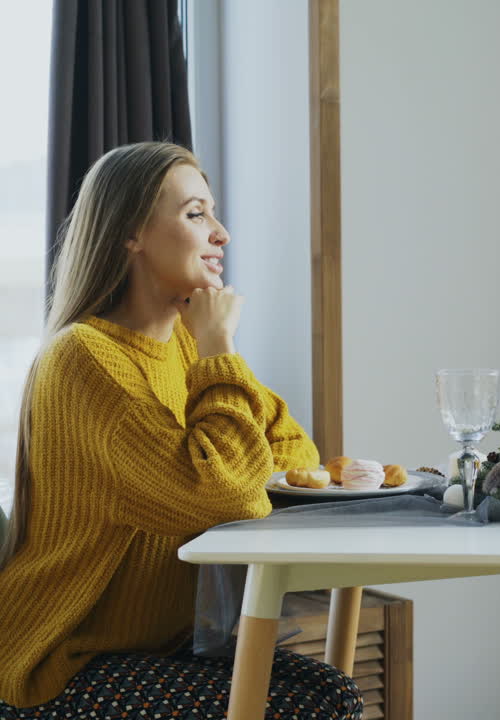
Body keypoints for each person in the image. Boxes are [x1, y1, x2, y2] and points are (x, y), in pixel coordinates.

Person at [0, 142, 362, 717]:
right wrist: (220, 344)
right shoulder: (85, 359)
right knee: (303, 707)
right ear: (131, 233)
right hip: (64, 660)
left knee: (334, 692)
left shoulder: (186, 345)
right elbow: (228, 491)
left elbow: (295, 449)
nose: (222, 234)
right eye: (196, 214)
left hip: (167, 647)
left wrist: (233, 464)